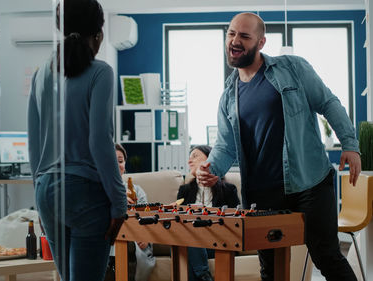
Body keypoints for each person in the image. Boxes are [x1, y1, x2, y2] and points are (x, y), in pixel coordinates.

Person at [196, 12, 362, 281]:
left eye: (244, 36)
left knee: (327, 257)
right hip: (264, 195)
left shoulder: (292, 68)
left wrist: (350, 144)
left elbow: (328, 102)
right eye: (231, 33)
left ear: (261, 43)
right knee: (270, 271)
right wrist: (210, 167)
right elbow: (226, 146)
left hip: (309, 183)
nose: (235, 41)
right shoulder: (228, 94)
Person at [27, 1, 127, 280]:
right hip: (84, 193)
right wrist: (120, 203)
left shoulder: (40, 75)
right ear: (99, 33)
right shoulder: (100, 72)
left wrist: (40, 199)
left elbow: (33, 146)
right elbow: (99, 141)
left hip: (46, 190)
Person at [177, 145, 239, 281]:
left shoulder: (228, 190)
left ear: (210, 160)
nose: (189, 161)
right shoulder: (184, 190)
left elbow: (236, 221)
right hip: (194, 242)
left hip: (220, 240)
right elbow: (180, 222)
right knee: (189, 236)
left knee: (189, 250)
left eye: (195, 156)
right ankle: (204, 275)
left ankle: (203, 275)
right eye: (189, 157)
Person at [105, 144, 155, 281]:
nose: (116, 165)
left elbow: (148, 221)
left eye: (120, 161)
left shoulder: (137, 191)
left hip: (132, 244)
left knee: (127, 244)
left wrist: (146, 236)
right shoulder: (96, 191)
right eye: (111, 161)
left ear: (125, 165)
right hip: (105, 241)